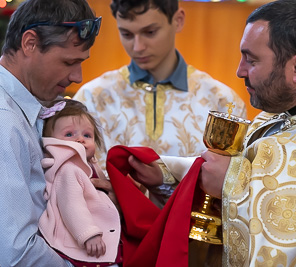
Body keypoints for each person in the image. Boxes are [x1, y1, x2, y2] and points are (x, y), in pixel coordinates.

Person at [0, 0, 101, 265]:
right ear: (30, 43)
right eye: (68, 62)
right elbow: (17, 253)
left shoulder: (17, 105)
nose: (78, 76)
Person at [73, 0, 247, 203]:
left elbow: (234, 190)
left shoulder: (222, 102)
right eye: (127, 34)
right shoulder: (92, 98)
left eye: (150, 32)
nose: (138, 47)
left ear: (178, 20)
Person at [198, 0, 296, 266]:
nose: (239, 71)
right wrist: (163, 170)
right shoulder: (271, 118)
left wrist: (230, 186)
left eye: (252, 60)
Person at [39, 99, 122, 266]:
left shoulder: (88, 166)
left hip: (100, 233)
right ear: (51, 141)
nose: (80, 140)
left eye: (87, 135)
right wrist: (88, 234)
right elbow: (71, 205)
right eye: (69, 134)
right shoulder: (67, 169)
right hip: (83, 237)